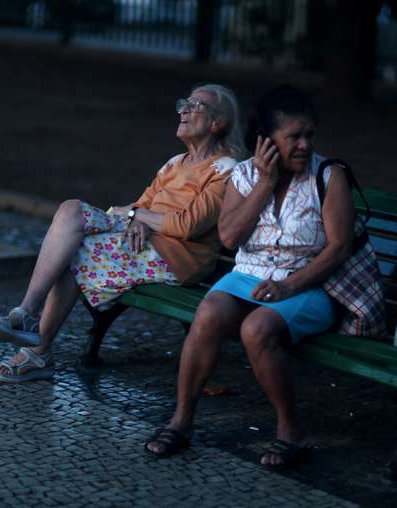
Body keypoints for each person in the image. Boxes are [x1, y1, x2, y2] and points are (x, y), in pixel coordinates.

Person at [145, 85, 355, 468]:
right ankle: (181, 421)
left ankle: (290, 431)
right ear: (266, 141)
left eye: (309, 135)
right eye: (293, 137)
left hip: (309, 284)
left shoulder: (329, 176)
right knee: (206, 316)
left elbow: (338, 248)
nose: (304, 145)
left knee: (256, 329)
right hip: (249, 275)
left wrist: (288, 285)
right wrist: (264, 184)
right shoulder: (242, 176)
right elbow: (229, 237)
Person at [0, 83, 246, 383]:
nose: (183, 110)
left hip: (177, 258)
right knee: (70, 210)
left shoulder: (225, 169)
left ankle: (37, 351)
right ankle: (26, 314)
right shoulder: (174, 163)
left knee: (74, 252)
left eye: (195, 105)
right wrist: (138, 218)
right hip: (146, 243)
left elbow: (187, 225)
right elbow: (140, 206)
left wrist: (138, 216)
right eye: (183, 103)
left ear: (217, 122)